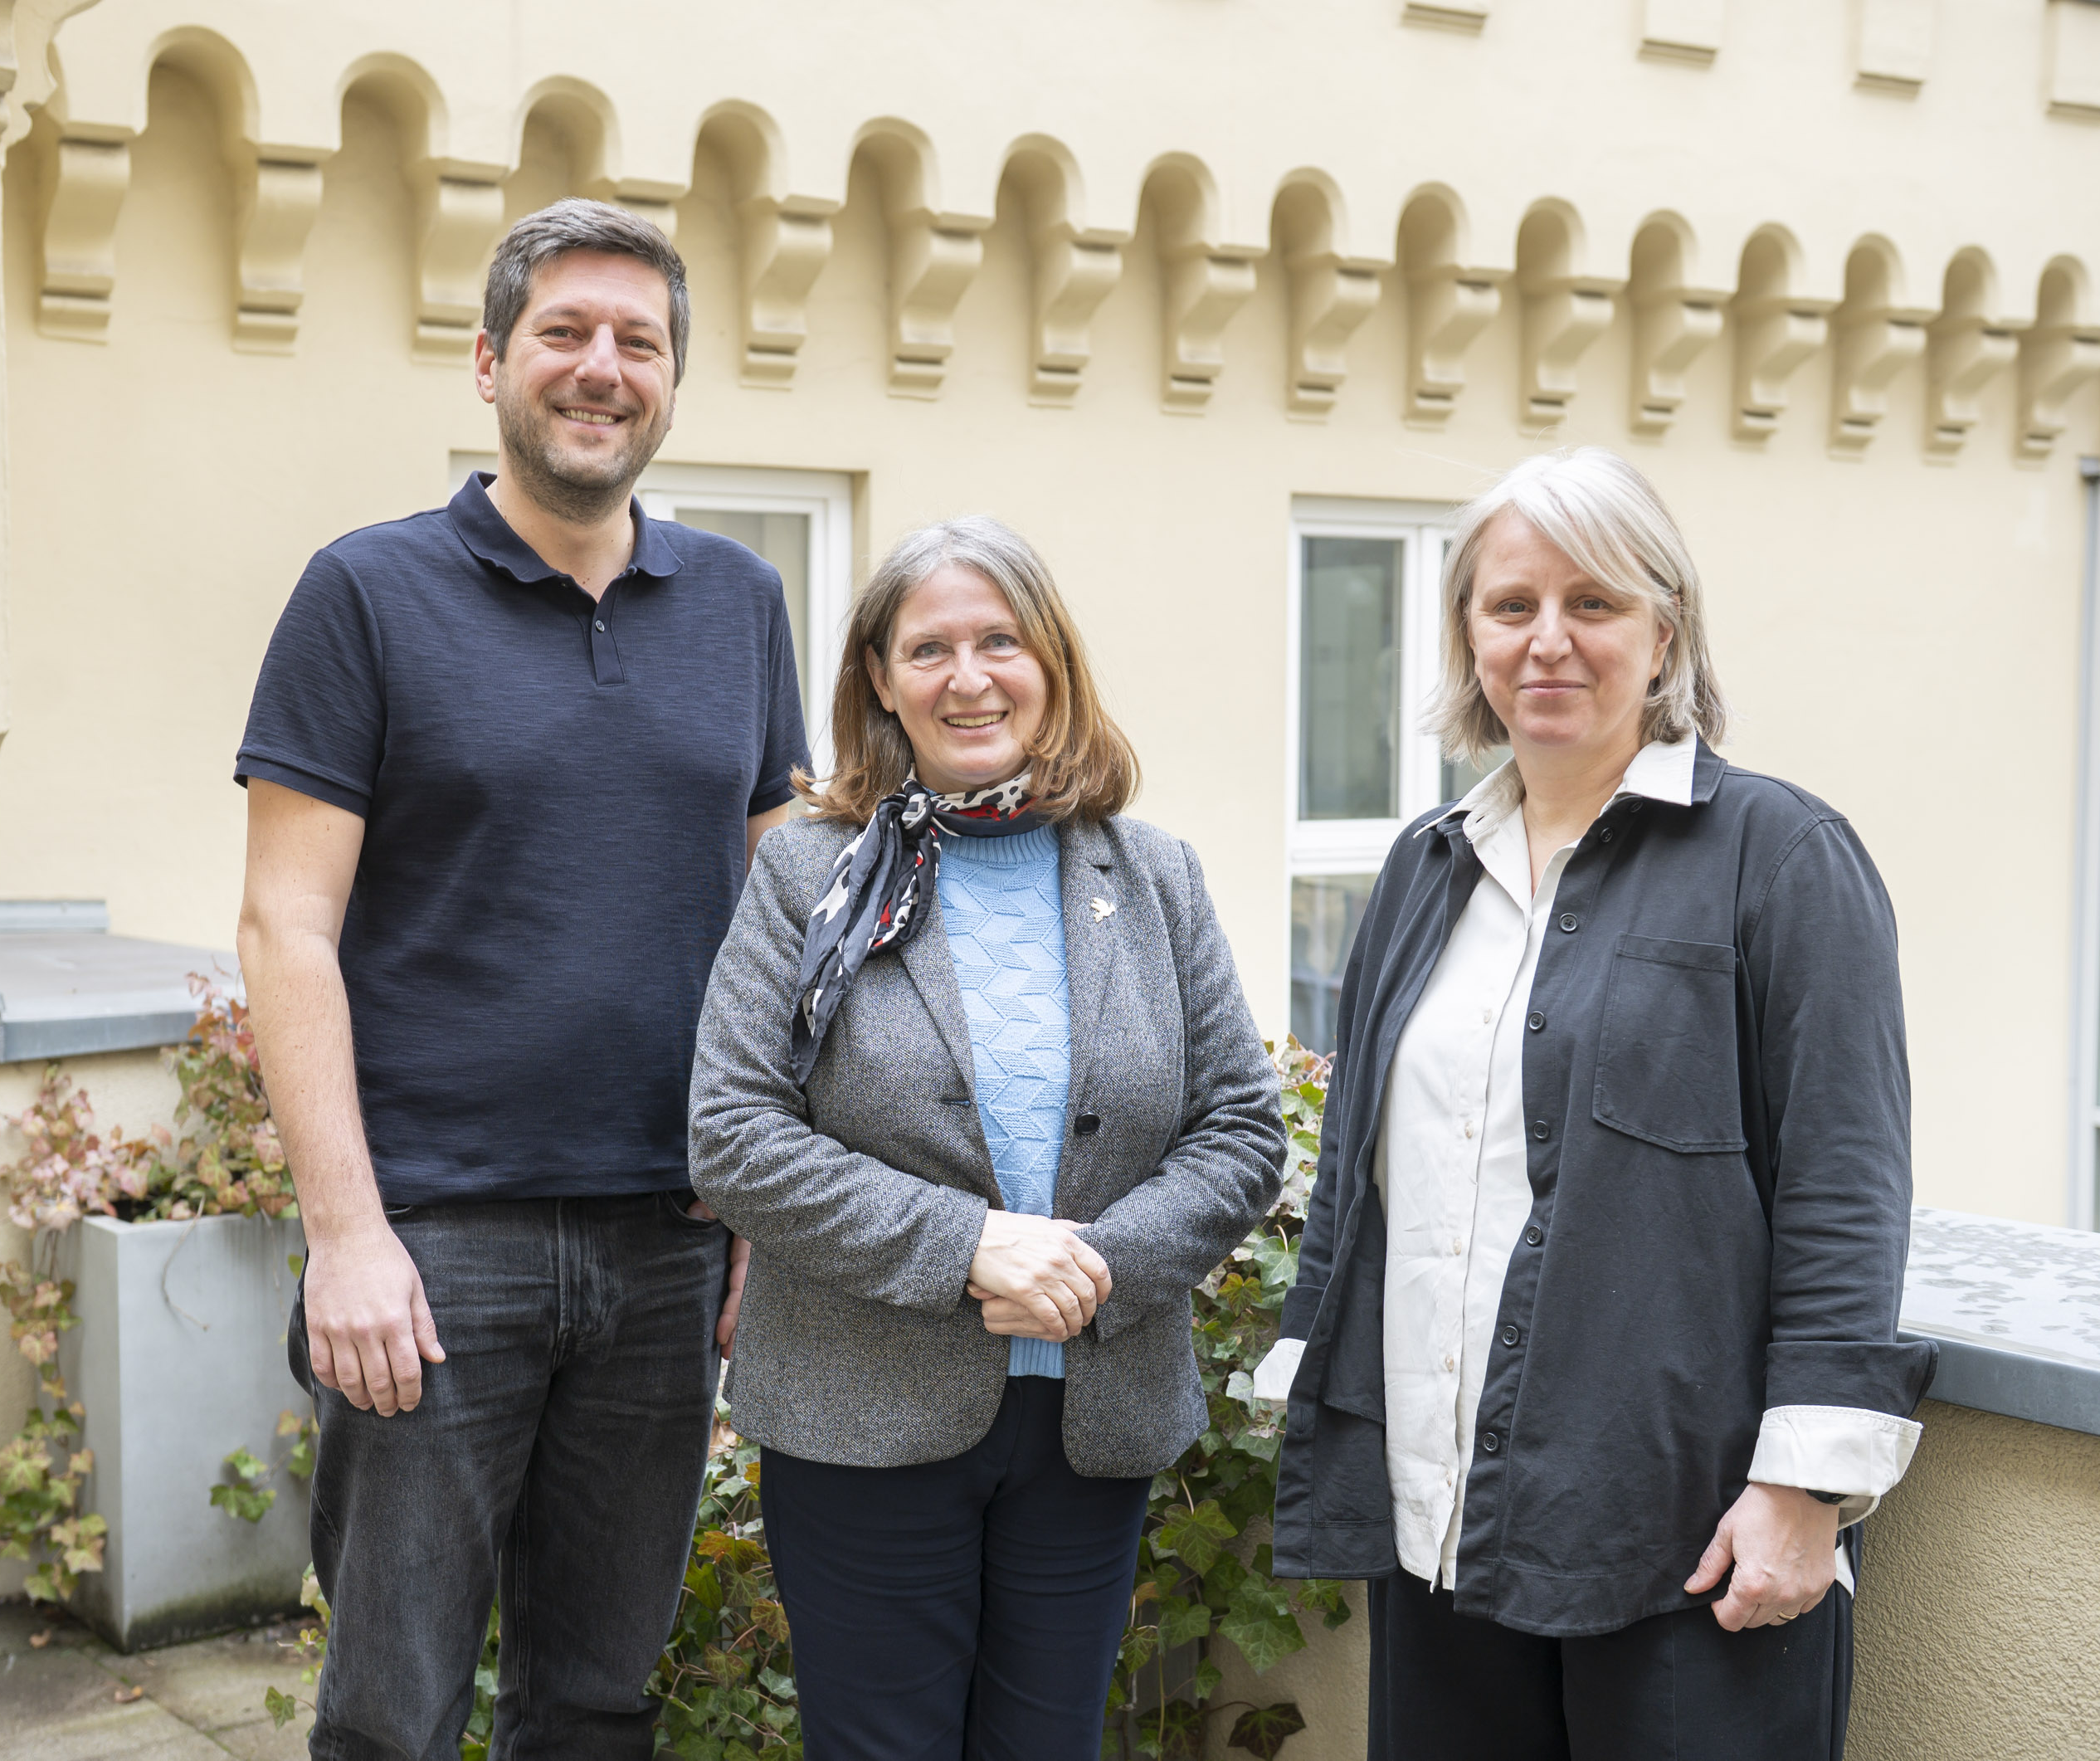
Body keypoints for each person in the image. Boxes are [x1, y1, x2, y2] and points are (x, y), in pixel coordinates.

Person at [233, 199, 807, 1760]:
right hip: (434, 1257)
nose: (601, 367)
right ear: (491, 360)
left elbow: (779, 924)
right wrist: (345, 1235)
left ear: (673, 382)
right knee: (390, 1714)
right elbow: (286, 926)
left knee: (596, 1703)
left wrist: (764, 1210)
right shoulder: (366, 592)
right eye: (564, 332)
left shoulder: (742, 606)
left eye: (639, 341)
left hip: (669, 1245)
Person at [1258, 448, 1937, 1760]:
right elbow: (1360, 1174)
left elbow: (1844, 1183)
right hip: (1442, 1518)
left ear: (1663, 629)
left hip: (1680, 1528)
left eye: (1594, 603)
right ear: (1467, 633)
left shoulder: (1779, 856)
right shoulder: (1423, 866)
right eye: (1511, 606)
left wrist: (1801, 1483)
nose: (1547, 642)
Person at [687, 516, 1286, 1759]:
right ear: (879, 681)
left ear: (1051, 664)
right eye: (929, 649)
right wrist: (968, 1245)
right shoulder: (809, 875)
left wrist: (1097, 1265)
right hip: (861, 1410)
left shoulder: (1154, 872)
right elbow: (733, 1132)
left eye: (999, 641)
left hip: (1092, 1417)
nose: (968, 677)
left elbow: (1239, 1125)